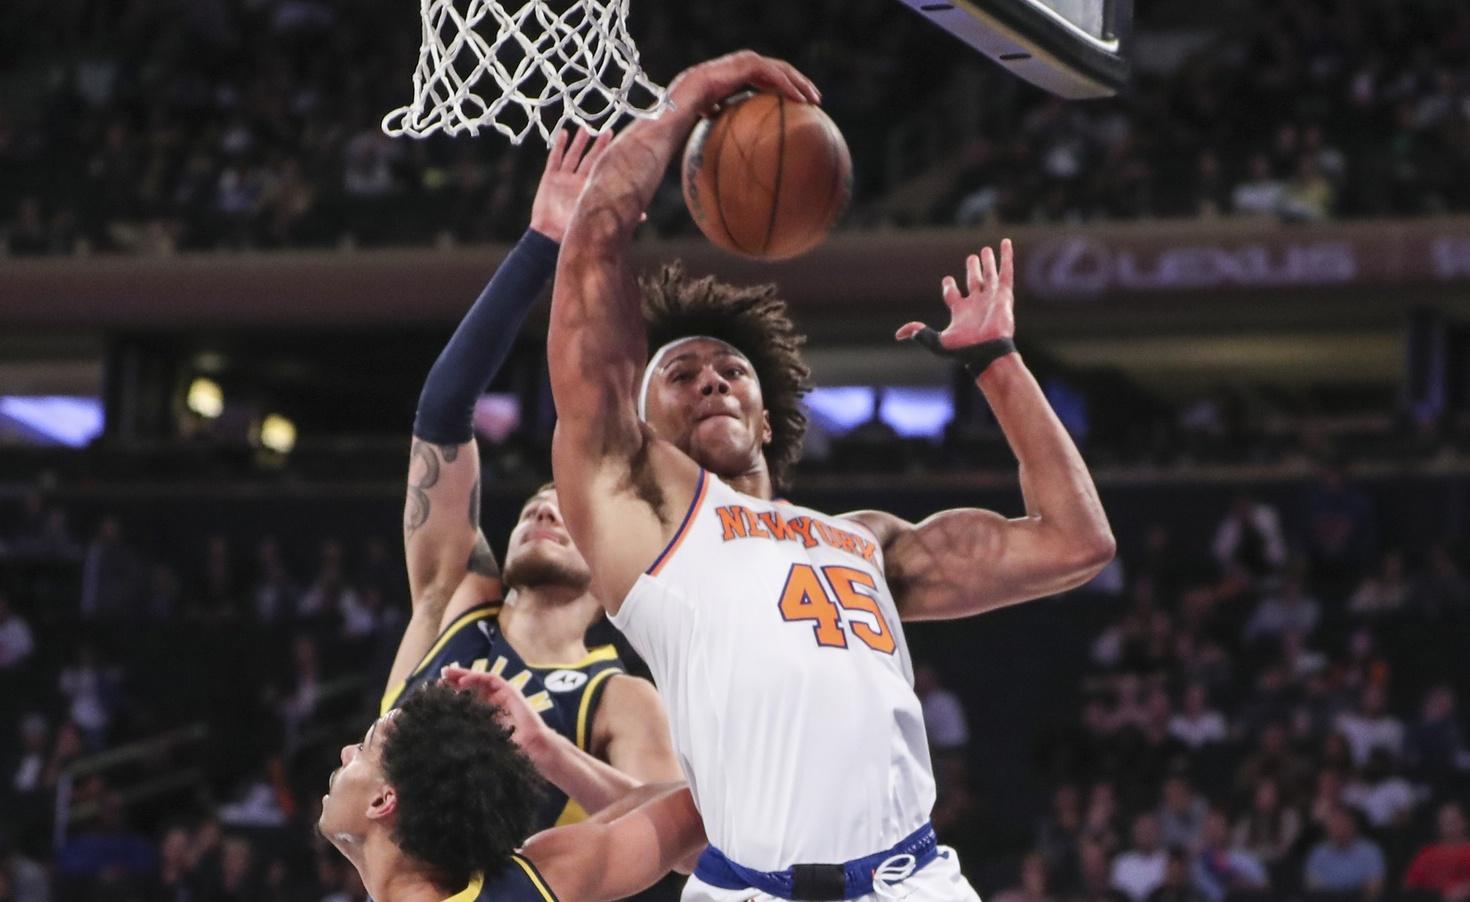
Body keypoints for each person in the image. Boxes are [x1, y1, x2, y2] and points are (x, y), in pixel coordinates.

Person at [547, 49, 1114, 902]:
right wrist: (683, 101)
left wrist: (997, 364)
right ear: (640, 423)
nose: (711, 378)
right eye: (682, 372)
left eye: (731, 370)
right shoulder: (642, 518)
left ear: (768, 417)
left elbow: (1076, 542)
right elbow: (591, 254)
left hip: (912, 880)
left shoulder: (864, 540)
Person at [385, 128, 682, 831]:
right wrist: (542, 244)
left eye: (569, 510)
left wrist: (551, 753)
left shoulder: (619, 697)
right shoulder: (453, 599)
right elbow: (443, 412)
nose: (543, 511)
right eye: (535, 504)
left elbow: (683, 837)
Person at [319, 681, 704, 901]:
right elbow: (700, 806)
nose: (346, 752)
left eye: (364, 749)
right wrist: (547, 749)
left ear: (383, 800)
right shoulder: (531, 881)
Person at [1302, 804, 1385, 899]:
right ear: (1328, 830)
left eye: (1344, 825)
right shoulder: (1318, 852)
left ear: (1353, 827)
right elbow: (1311, 885)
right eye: (1335, 826)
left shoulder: (1370, 851)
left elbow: (1375, 886)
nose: (1340, 830)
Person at [1403, 802, 1470, 900]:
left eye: (1454, 820)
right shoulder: (1426, 853)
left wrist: (1466, 889)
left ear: (1465, 822)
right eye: (1445, 822)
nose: (1450, 826)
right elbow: (1410, 886)